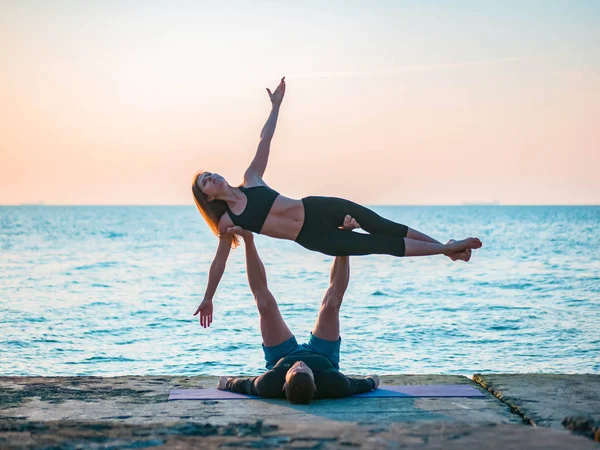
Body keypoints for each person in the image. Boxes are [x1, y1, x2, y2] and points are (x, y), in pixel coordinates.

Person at [192, 77, 482, 326]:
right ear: (208, 196)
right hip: (316, 237)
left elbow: (264, 139)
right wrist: (207, 298)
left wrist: (276, 107)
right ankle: (448, 248)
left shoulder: (252, 178)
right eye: (206, 180)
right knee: (379, 245)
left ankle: (447, 249)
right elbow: (219, 262)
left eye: (210, 172)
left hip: (319, 208)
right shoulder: (229, 221)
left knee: (383, 225)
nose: (213, 177)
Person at [217, 217, 379, 404]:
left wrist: (227, 383)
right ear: (316, 384)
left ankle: (249, 239)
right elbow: (363, 385)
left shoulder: (268, 384)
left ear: (284, 384)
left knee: (264, 305)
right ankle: (344, 237)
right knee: (331, 304)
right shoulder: (335, 384)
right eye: (305, 369)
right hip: (323, 355)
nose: (301, 364)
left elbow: (241, 384)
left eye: (295, 369)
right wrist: (372, 380)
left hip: (281, 356)